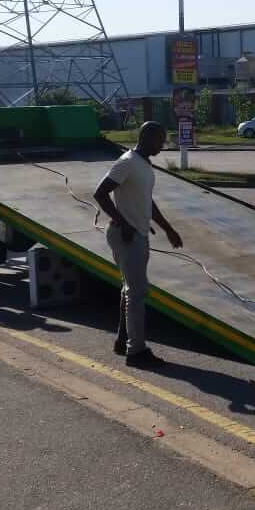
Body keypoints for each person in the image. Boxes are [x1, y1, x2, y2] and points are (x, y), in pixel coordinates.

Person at [93, 122, 183, 367]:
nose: (163, 144)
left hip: (137, 234)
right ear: (147, 138)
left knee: (129, 289)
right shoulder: (128, 162)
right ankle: (137, 352)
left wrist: (168, 229)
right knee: (137, 292)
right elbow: (100, 193)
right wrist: (124, 224)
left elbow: (147, 201)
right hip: (127, 237)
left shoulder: (142, 165)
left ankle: (123, 340)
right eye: (160, 139)